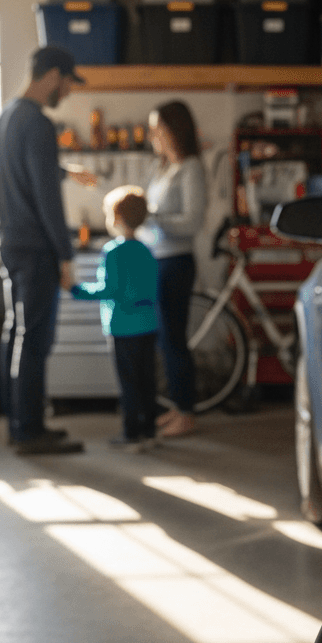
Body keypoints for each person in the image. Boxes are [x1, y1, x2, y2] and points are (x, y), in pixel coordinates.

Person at [0, 45, 97, 455]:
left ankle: (17, 423)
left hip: (11, 243)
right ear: (53, 75)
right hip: (36, 248)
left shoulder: (9, 116)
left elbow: (28, 170)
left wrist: (66, 170)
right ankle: (30, 432)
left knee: (16, 332)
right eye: (68, 83)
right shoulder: (38, 123)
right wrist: (66, 255)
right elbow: (47, 200)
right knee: (35, 339)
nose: (68, 92)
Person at [70, 187, 159, 451]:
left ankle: (131, 433)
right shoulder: (147, 250)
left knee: (129, 383)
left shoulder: (113, 251)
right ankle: (150, 431)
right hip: (149, 325)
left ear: (117, 218)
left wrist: (76, 289)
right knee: (148, 381)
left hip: (123, 327)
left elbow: (109, 289)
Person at [142, 101, 207, 438]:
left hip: (176, 263)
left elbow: (192, 222)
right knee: (165, 341)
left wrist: (153, 219)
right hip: (158, 261)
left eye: (158, 128)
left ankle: (186, 413)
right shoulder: (164, 169)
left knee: (174, 339)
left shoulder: (191, 168)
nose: (153, 135)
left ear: (175, 130)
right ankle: (179, 407)